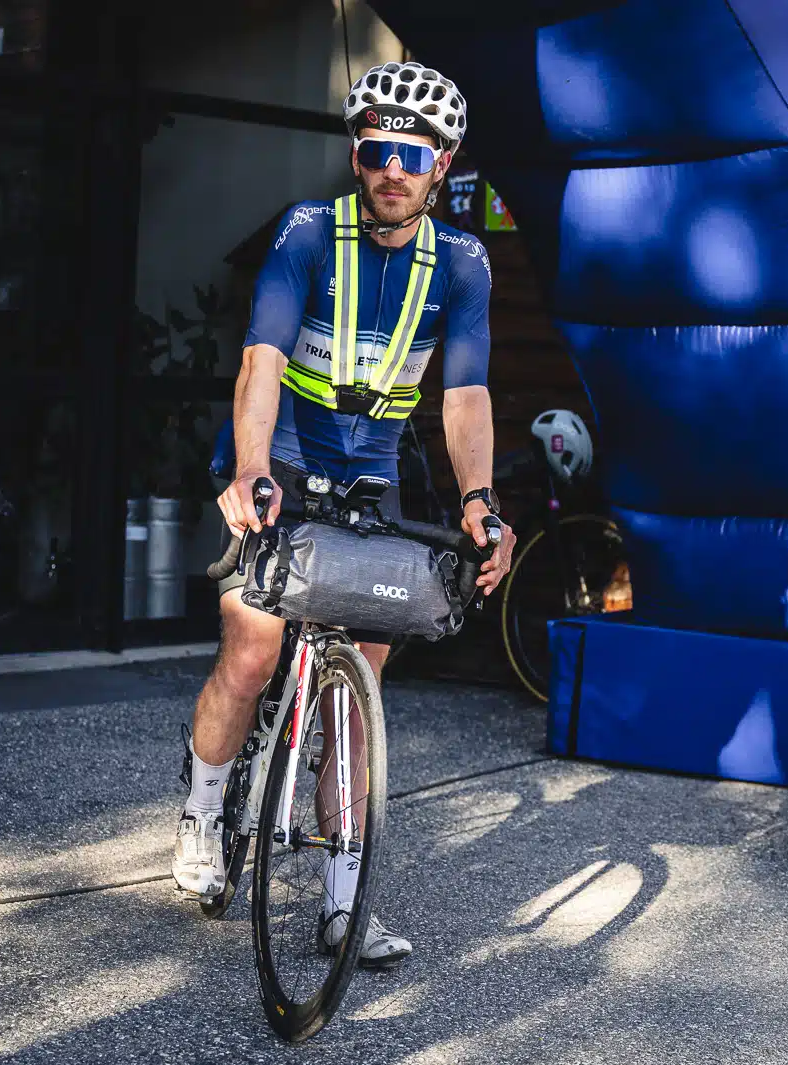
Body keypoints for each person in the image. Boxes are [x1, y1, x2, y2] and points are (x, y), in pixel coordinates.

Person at [171, 61, 516, 969]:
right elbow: (262, 359)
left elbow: (465, 396)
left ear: (443, 165)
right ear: (356, 155)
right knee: (252, 652)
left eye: (413, 156)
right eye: (375, 152)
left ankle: (343, 897)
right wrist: (251, 468)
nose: (391, 171)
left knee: (357, 692)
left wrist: (479, 500)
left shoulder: (464, 263)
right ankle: (202, 811)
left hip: (371, 472)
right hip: (280, 454)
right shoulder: (308, 232)